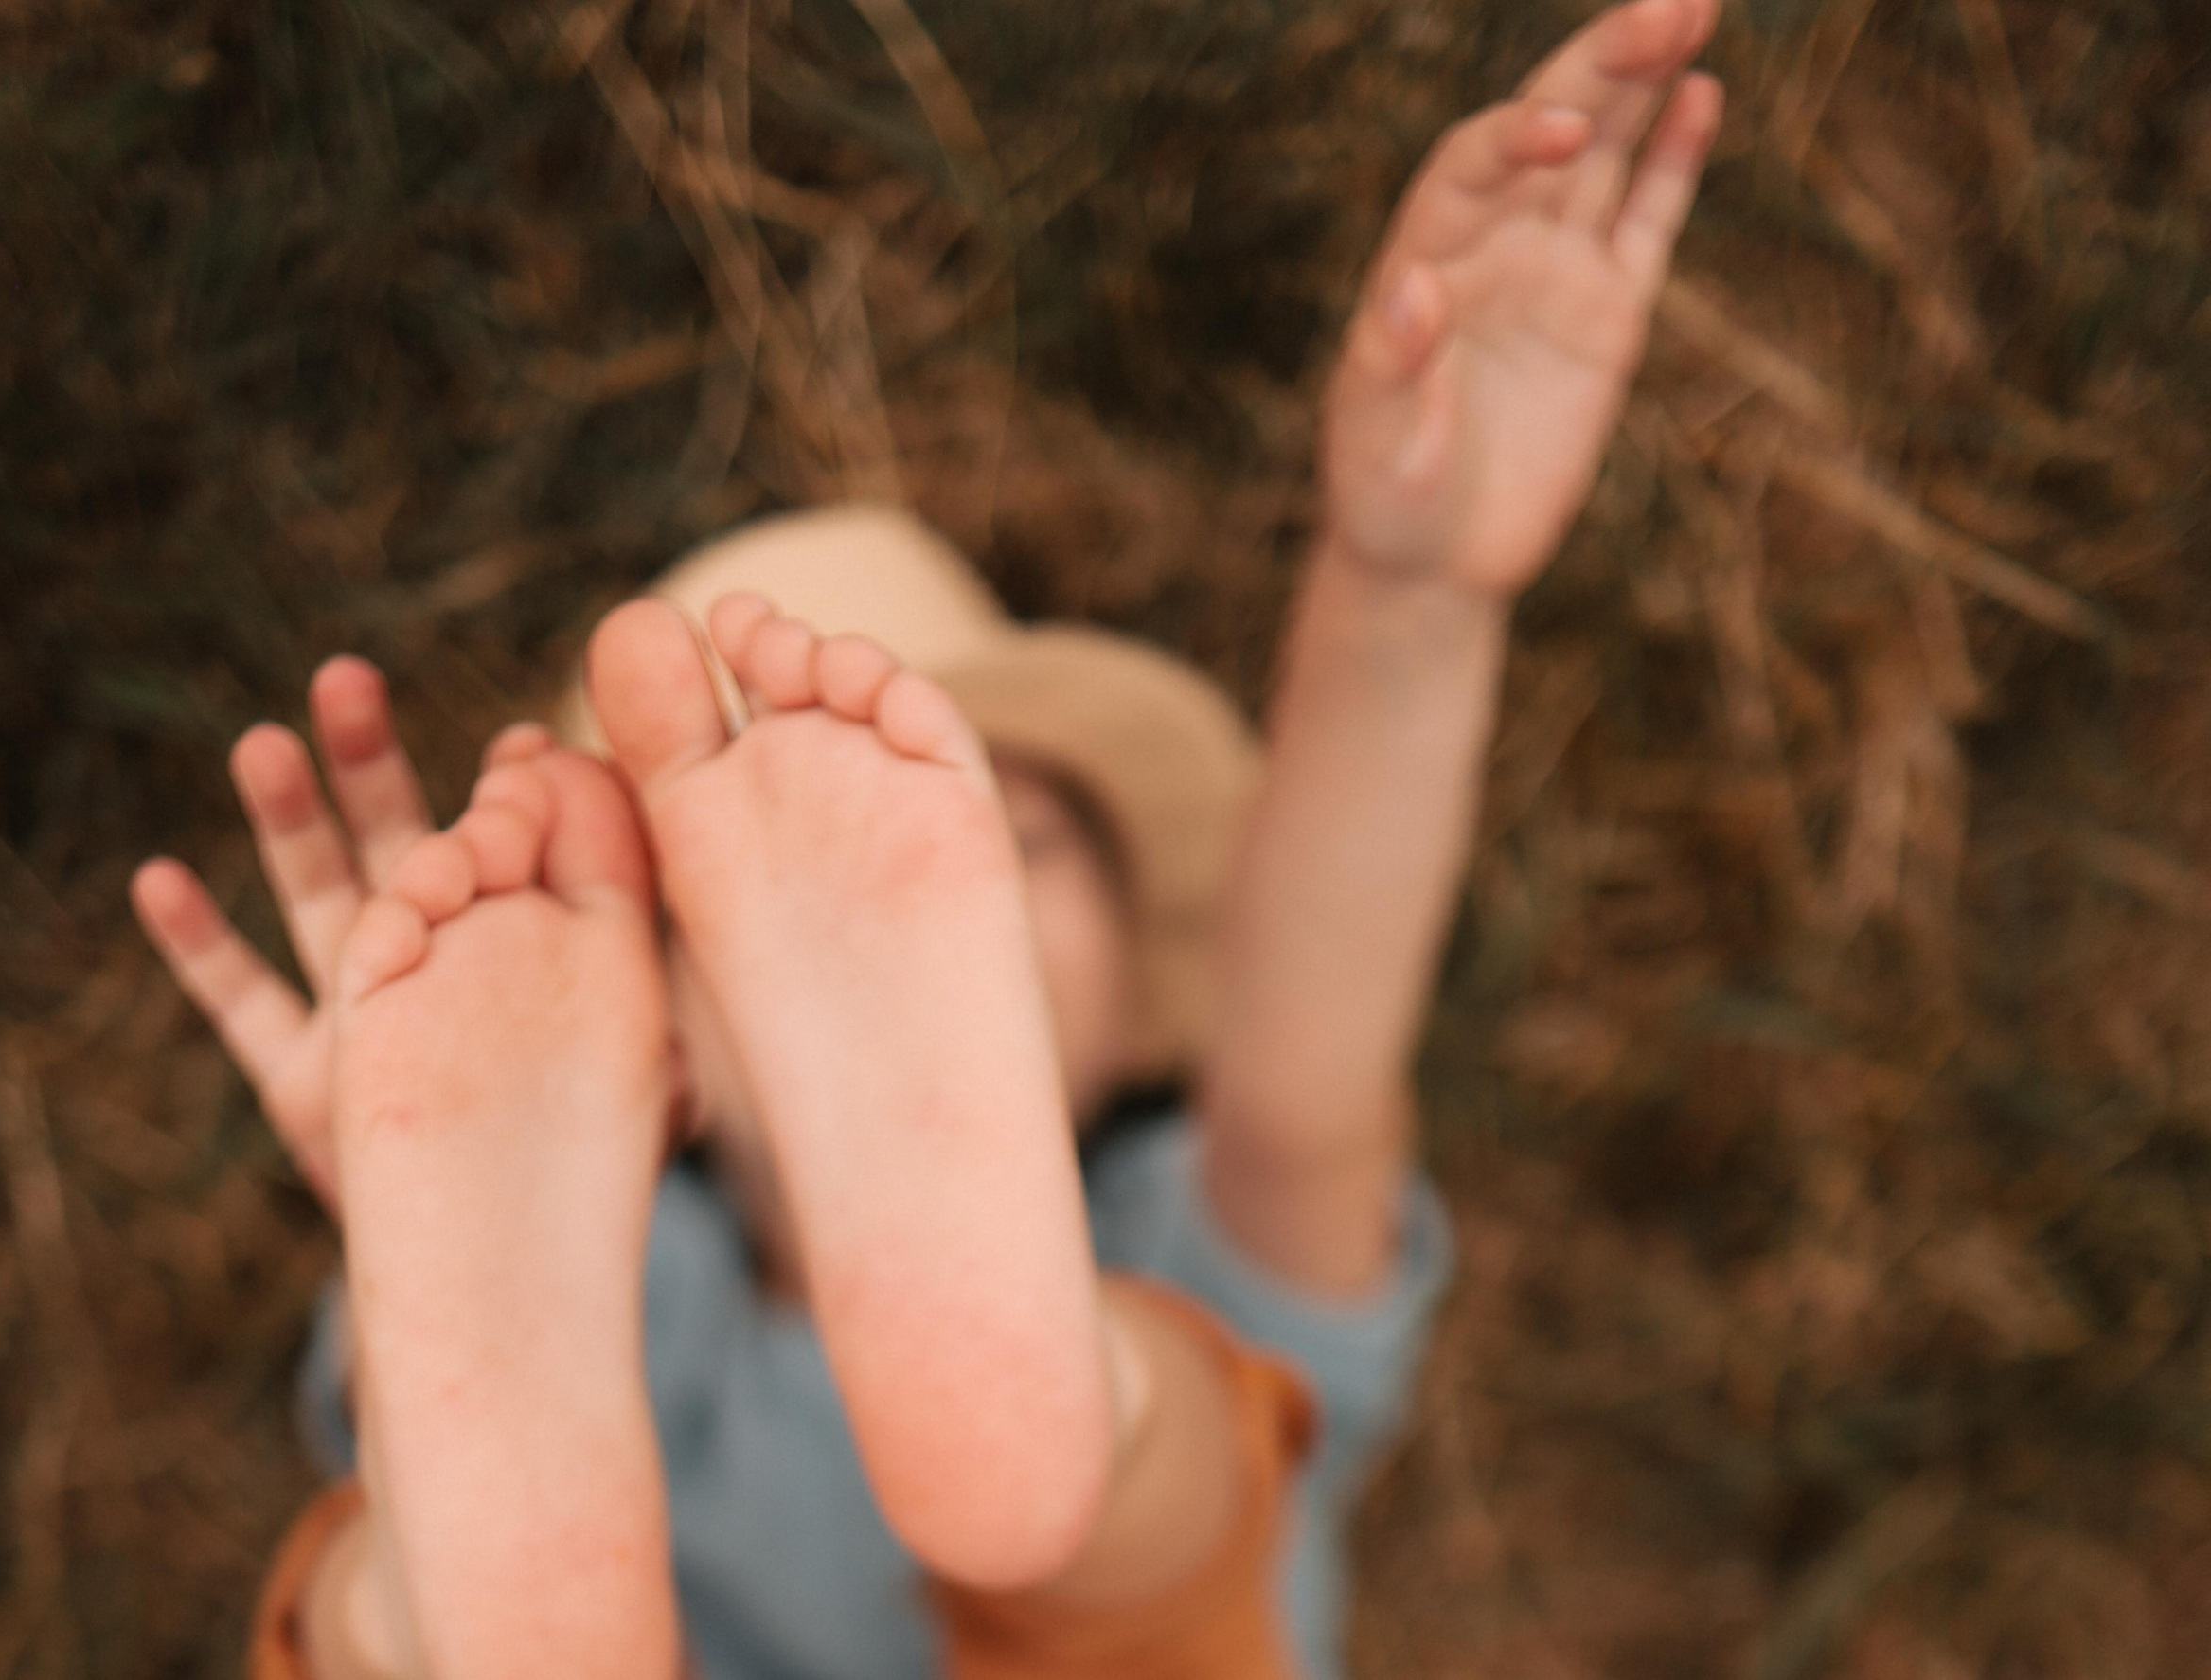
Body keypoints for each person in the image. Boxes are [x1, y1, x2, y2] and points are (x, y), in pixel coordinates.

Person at [129, 1, 1726, 1673]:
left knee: (1146, 1408)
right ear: (651, 1051)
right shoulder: (629, 1280)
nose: (943, 931)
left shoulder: (1191, 1216)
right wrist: (424, 1236)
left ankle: (1014, 1421)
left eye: (1013, 848)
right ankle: (539, 1536)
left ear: (1141, 970)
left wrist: (1411, 578)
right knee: (473, 1485)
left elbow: (1304, 1031)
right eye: (736, 919)